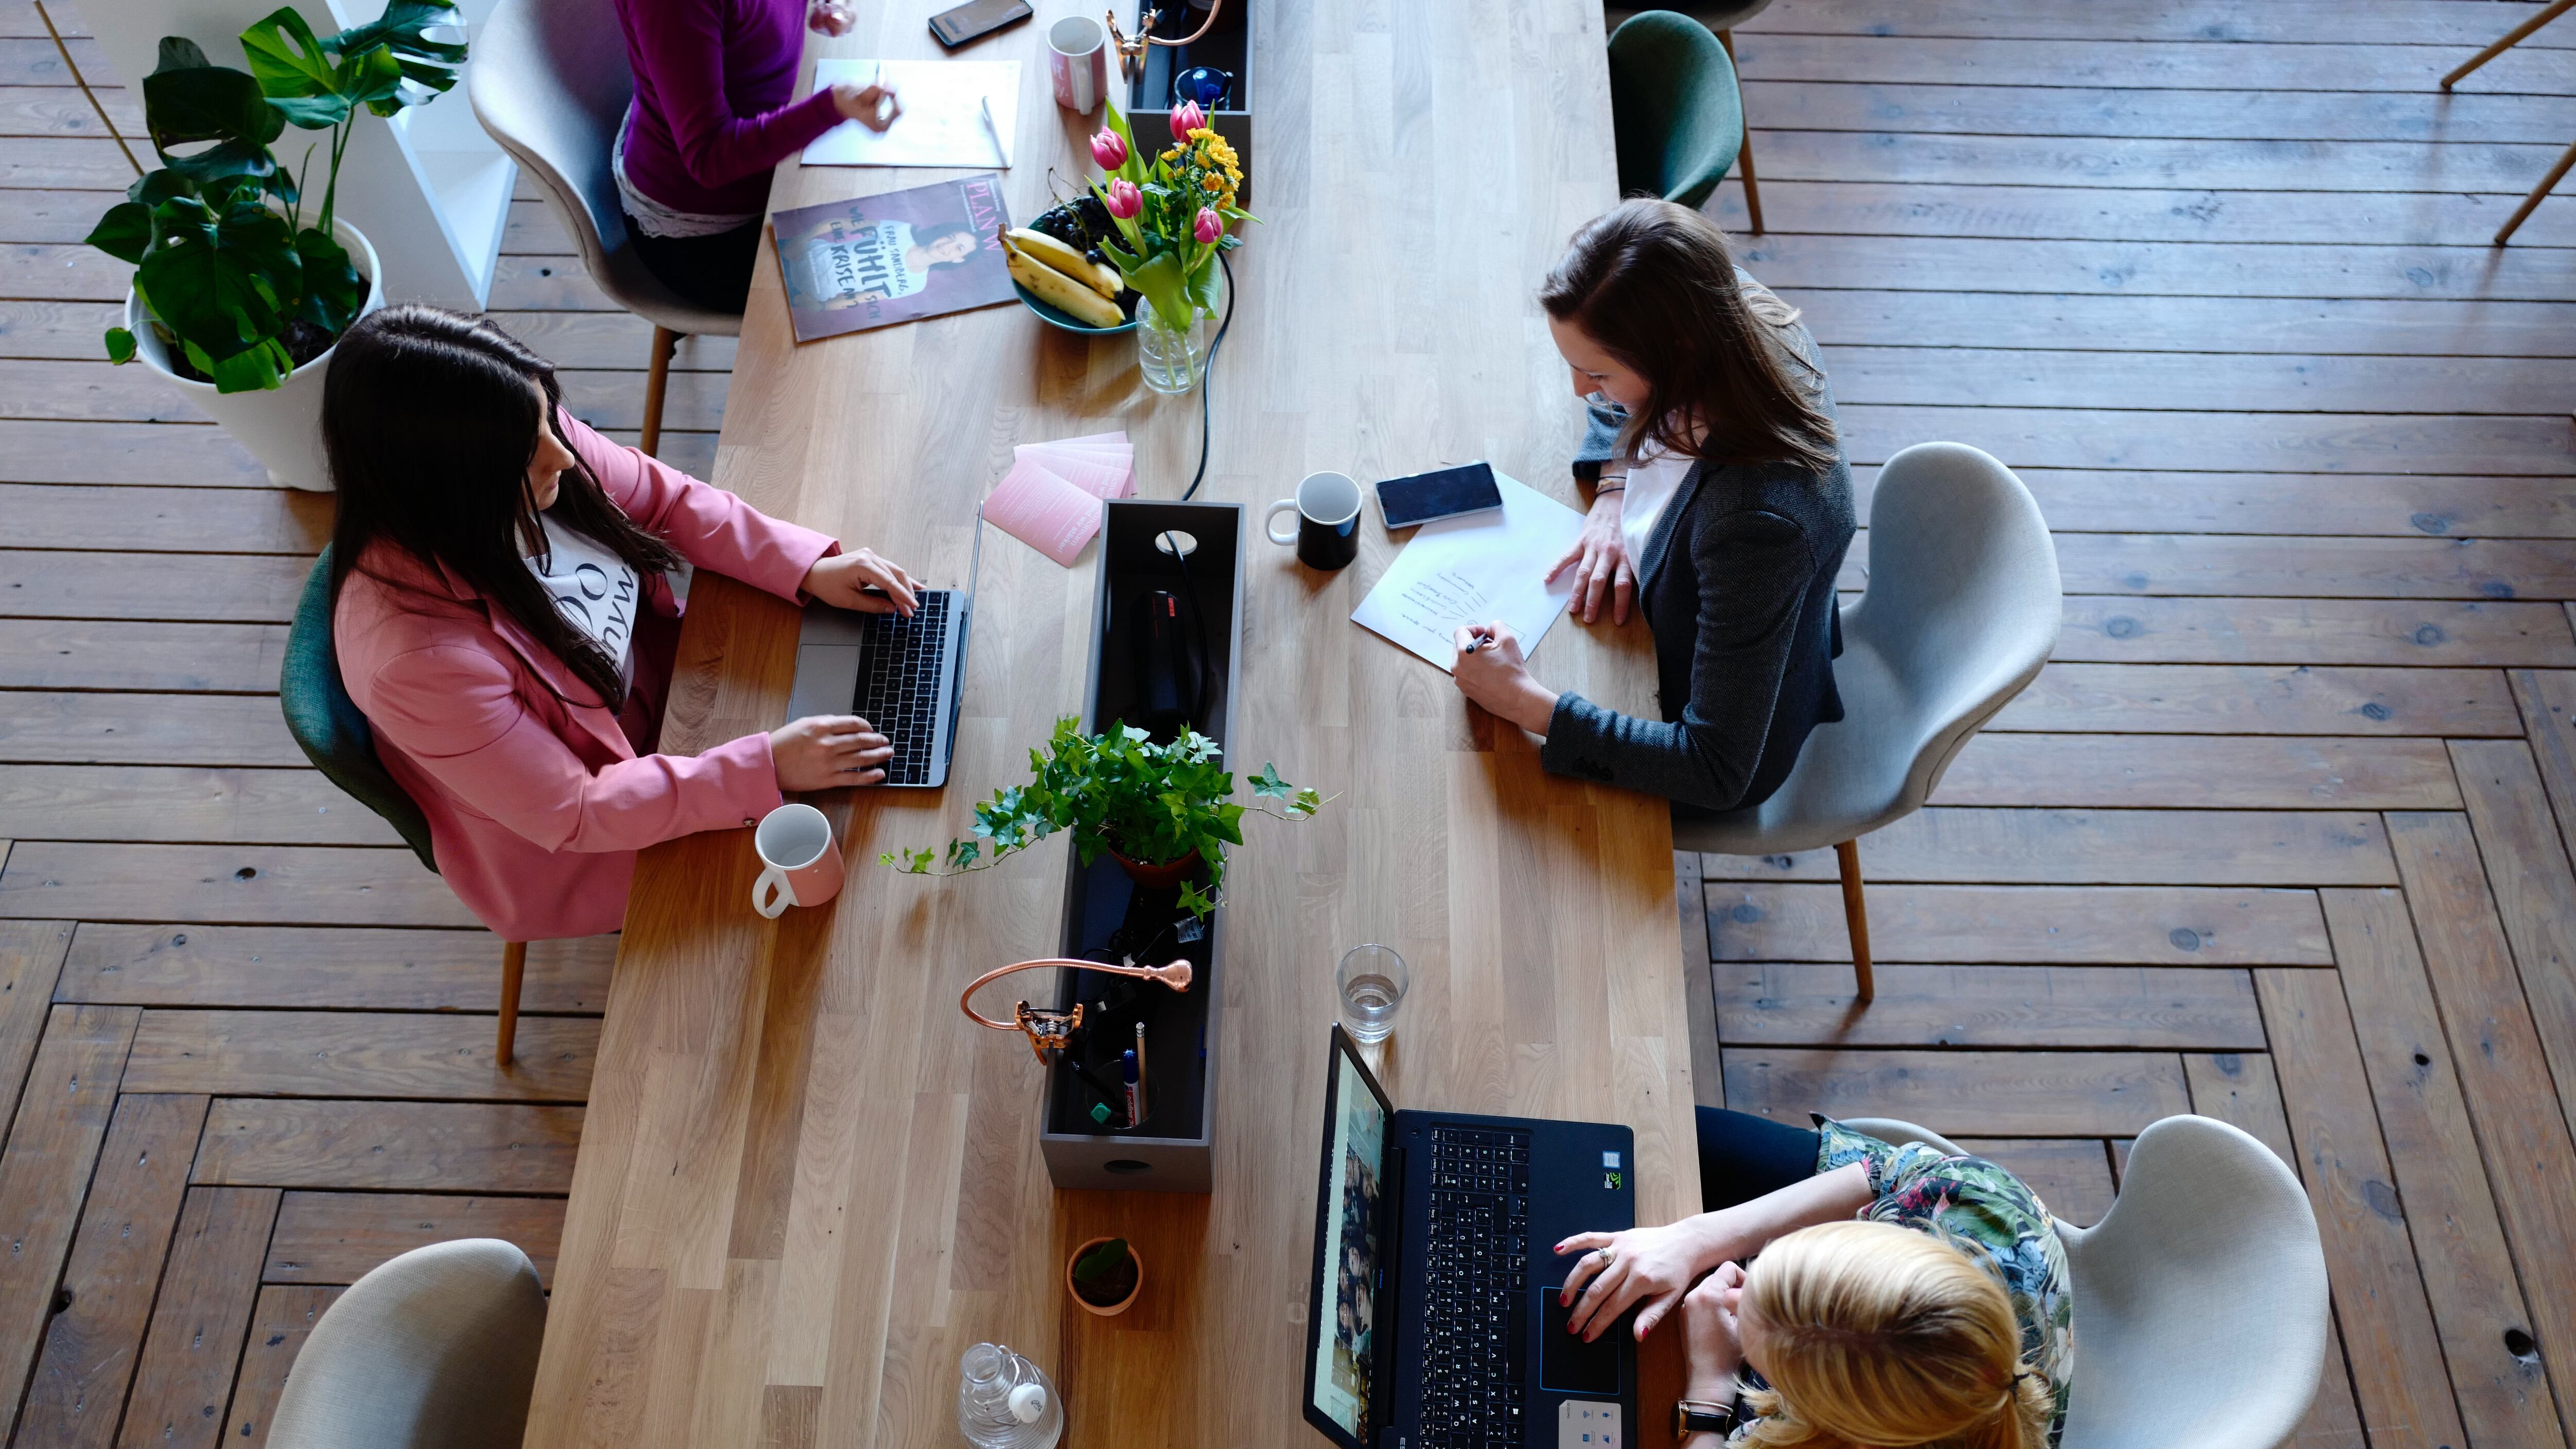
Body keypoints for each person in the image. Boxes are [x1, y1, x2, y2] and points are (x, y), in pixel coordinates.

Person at [325, 305, 925, 941]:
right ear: (449, 485)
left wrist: (805, 567)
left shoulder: (526, 443)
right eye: (532, 450)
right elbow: (578, 809)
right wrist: (764, 766)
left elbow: (666, 500)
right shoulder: (416, 664)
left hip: (678, 699)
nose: (564, 452)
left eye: (549, 417)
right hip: (590, 838)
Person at [1449, 199, 1856, 814]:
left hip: (1704, 733)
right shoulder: (1714, 304)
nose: (1581, 391)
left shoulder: (1756, 525)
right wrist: (1614, 489)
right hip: (1668, 628)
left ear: (1677, 353)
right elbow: (1617, 405)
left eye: (1598, 373)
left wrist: (1524, 700)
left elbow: (1715, 768)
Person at [1553, 1110, 2072, 1449]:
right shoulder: (1979, 1201)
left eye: (1758, 1358)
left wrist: (1710, 1385)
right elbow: (1883, 1171)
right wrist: (1695, 1238)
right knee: (1652, 1130)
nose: (1734, 1286)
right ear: (1879, 1235)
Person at [609, 0, 902, 314]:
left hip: (775, 164)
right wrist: (829, 108)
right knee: (885, 305)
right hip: (707, 235)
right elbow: (709, 158)